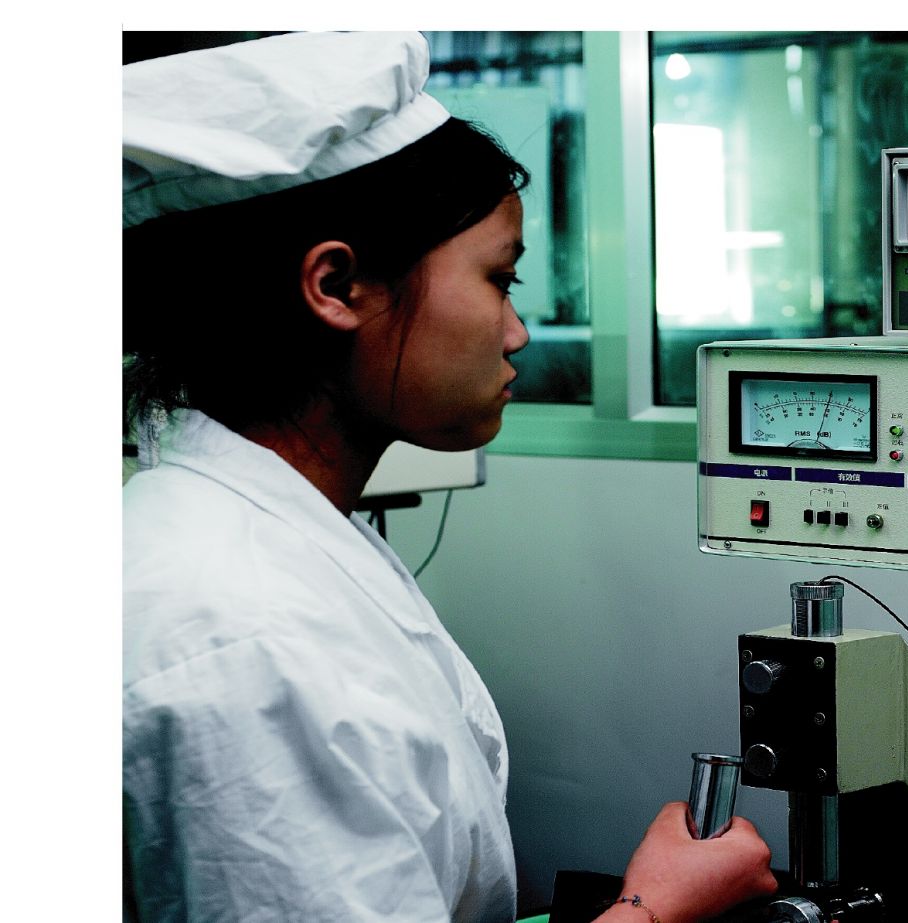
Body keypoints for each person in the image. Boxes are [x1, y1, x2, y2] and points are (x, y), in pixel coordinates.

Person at [122, 31, 777, 923]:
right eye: (498, 279)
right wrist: (655, 906)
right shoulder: (242, 638)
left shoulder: (271, 541)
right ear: (338, 285)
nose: (516, 332)